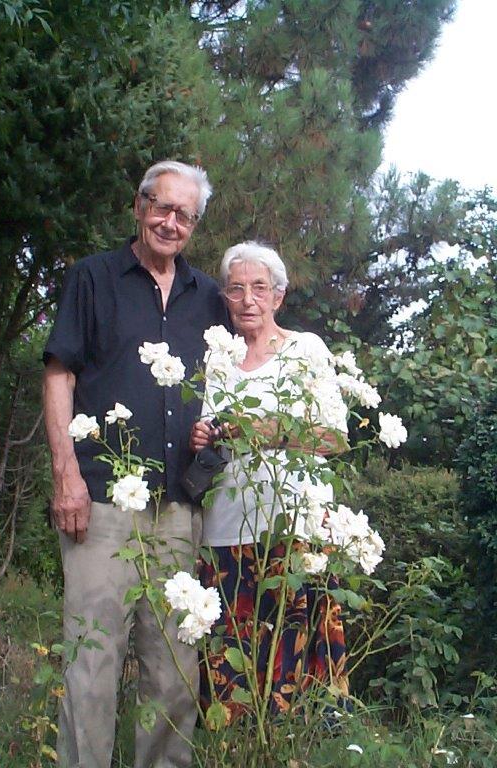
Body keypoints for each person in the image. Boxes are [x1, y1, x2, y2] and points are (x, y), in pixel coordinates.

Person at [43, 160, 229, 768]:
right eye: (163, 207)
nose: (171, 223)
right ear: (139, 205)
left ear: (195, 225)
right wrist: (66, 476)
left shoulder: (209, 298)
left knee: (174, 673)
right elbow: (60, 374)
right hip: (100, 508)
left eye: (185, 215)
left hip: (179, 512)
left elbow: (228, 389)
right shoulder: (93, 278)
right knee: (91, 665)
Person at [189, 242, 349, 720]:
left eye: (259, 288)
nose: (247, 299)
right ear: (225, 297)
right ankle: (234, 752)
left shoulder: (306, 349)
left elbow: (335, 437)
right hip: (227, 530)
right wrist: (204, 435)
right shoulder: (214, 359)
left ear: (278, 296)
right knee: (230, 666)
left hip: (294, 529)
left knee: (294, 662)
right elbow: (211, 440)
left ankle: (292, 749)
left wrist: (263, 428)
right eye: (236, 289)